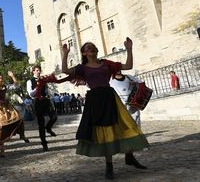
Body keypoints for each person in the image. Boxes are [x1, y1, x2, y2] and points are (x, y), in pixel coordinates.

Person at [61, 37, 149, 180]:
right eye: (88, 47)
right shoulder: (82, 68)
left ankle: (130, 156)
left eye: (93, 46)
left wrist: (129, 49)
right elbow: (65, 70)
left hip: (109, 96)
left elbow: (128, 66)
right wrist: (65, 54)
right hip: (95, 100)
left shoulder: (106, 64)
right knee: (105, 131)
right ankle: (109, 166)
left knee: (124, 125)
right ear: (84, 53)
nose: (92, 48)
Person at [0, 71, 30, 158]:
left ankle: (22, 135)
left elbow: (17, 85)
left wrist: (12, 76)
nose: (1, 77)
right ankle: (2, 149)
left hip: (7, 106)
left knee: (19, 118)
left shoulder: (5, 86)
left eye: (2, 76)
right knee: (0, 127)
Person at [26, 65, 58, 152]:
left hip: (45, 100)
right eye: (36, 70)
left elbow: (46, 91)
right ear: (33, 71)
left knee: (54, 117)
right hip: (37, 101)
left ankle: (48, 128)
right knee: (41, 123)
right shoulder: (30, 81)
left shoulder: (43, 80)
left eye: (39, 70)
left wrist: (49, 98)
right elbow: (30, 94)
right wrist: (37, 87)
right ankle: (44, 143)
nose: (38, 72)